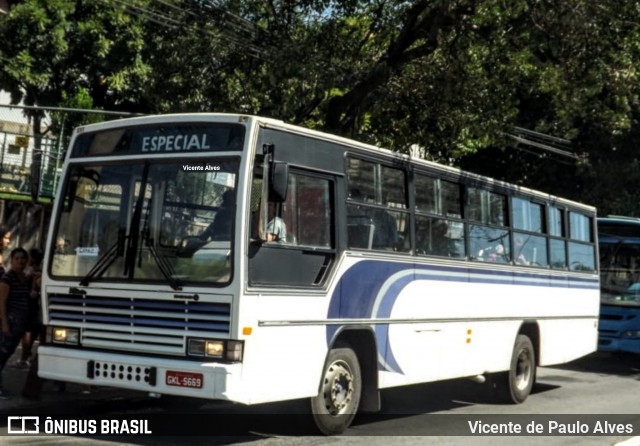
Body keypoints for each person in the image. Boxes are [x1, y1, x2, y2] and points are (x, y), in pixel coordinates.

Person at [0, 248, 30, 399]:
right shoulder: (8, 278)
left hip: (19, 324)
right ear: (12, 260)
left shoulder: (23, 278)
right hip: (10, 322)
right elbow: (2, 302)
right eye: (17, 258)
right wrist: (4, 324)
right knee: (2, 354)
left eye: (23, 259)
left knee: (7, 353)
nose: (20, 261)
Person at [14, 248, 43, 369]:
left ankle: (24, 358)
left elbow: (34, 291)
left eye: (28, 257)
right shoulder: (34, 272)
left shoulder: (35, 274)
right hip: (33, 307)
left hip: (31, 307)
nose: (26, 260)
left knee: (28, 332)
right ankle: (26, 356)